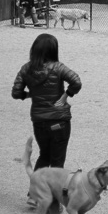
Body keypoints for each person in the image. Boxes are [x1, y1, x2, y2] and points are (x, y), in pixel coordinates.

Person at [11, 33, 82, 197]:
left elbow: (16, 93)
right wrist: (66, 95)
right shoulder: (58, 67)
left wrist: (30, 95)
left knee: (44, 156)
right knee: (57, 161)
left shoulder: (26, 68)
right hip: (59, 121)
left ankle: (34, 194)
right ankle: (53, 202)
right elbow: (76, 82)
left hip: (39, 121)